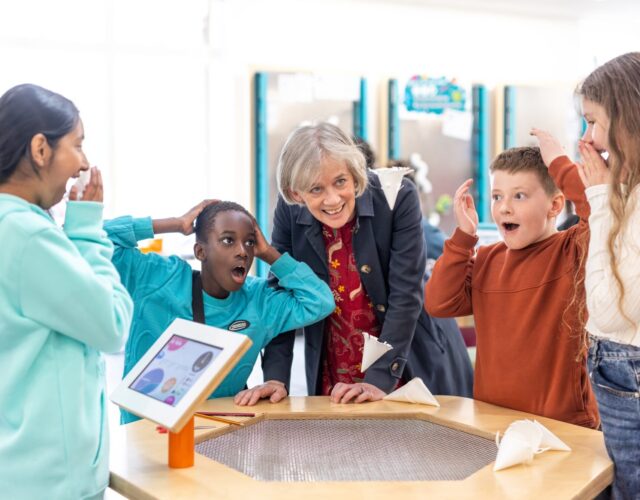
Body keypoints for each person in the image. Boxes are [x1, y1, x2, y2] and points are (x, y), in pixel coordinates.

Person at [236, 122, 473, 406]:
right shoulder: (290, 209)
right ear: (296, 193)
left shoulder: (397, 195)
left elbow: (405, 296)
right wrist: (275, 376)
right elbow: (283, 295)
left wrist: (378, 379)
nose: (333, 199)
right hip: (336, 356)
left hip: (406, 353)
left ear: (354, 172)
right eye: (316, 189)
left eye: (340, 181)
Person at [0, 84, 133, 499]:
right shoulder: (27, 236)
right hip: (49, 481)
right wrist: (86, 230)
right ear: (40, 150)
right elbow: (112, 324)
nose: (84, 163)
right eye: (77, 145)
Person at [105, 200, 335, 423]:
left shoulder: (259, 300)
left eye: (250, 242)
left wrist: (267, 253)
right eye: (228, 240)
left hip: (212, 432)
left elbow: (320, 301)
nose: (243, 251)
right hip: (145, 429)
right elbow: (96, 239)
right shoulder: (157, 277)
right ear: (200, 251)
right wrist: (177, 223)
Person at [425, 145, 600, 429]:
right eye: (497, 196)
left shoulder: (572, 249)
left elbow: (599, 210)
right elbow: (438, 302)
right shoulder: (485, 258)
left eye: (519, 196)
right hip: (493, 423)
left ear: (555, 205)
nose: (505, 207)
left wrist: (558, 163)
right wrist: (463, 239)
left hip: (563, 427)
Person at [575, 52, 640, 499]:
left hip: (626, 364)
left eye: (594, 122)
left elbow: (608, 309)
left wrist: (600, 195)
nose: (587, 137)